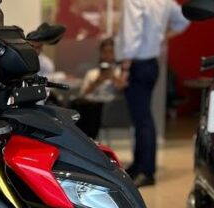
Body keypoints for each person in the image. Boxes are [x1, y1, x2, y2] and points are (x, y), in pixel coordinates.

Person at [117, 0, 189, 187]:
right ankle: (139, 165)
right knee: (142, 118)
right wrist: (163, 36)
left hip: (136, 64)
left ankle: (146, 171)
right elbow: (184, 18)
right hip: (151, 64)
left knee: (142, 119)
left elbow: (132, 34)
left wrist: (125, 68)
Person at [72, 38, 121, 139]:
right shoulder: (92, 73)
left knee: (90, 109)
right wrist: (97, 81)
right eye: (105, 52)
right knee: (76, 103)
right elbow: (83, 94)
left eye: (111, 52)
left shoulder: (120, 73)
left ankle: (87, 138)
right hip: (89, 104)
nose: (108, 55)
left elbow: (122, 91)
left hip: (110, 108)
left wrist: (113, 77)